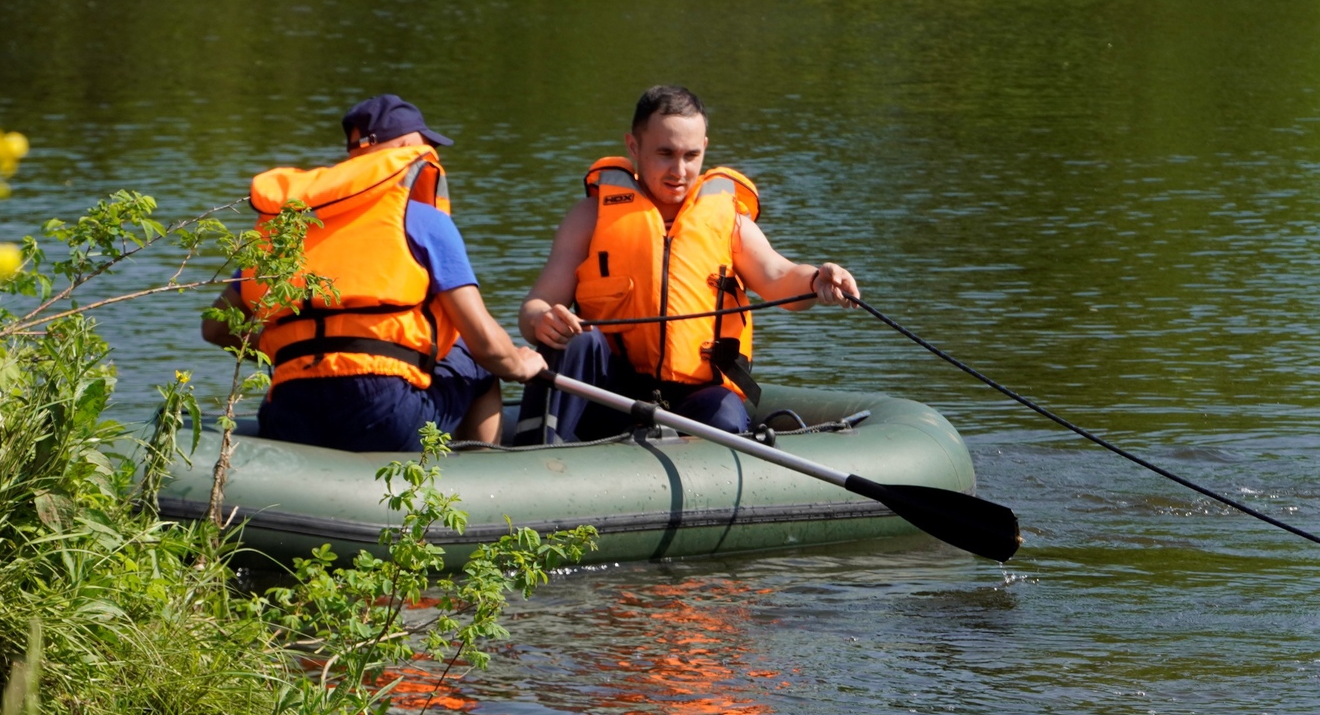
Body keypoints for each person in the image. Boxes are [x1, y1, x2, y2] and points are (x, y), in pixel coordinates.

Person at [514, 85, 862, 444]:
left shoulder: (728, 221)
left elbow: (780, 277)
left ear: (705, 150)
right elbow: (533, 307)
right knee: (576, 342)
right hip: (609, 393)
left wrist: (819, 279)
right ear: (633, 147)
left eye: (690, 155)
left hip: (696, 397)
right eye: (665, 153)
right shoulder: (589, 217)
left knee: (726, 413)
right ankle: (538, 463)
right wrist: (543, 318)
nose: (678, 170)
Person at [202, 93, 546, 452]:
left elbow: (216, 327)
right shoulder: (422, 220)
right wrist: (520, 366)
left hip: (290, 413)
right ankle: (481, 480)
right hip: (385, 414)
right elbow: (488, 347)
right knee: (476, 361)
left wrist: (290, 351)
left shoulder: (289, 227)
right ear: (406, 145)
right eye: (426, 141)